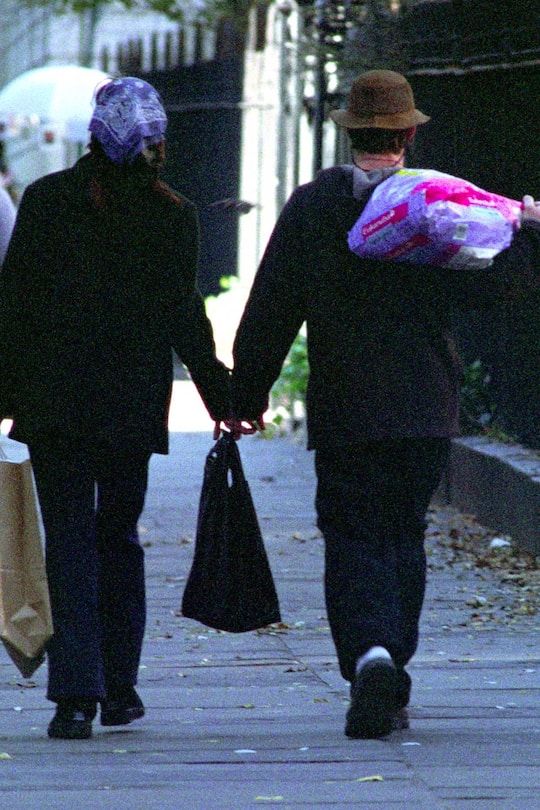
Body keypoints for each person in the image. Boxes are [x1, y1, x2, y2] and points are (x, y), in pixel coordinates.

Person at [226, 70, 540, 739]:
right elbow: (497, 287)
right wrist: (529, 232)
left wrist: (245, 395)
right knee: (403, 532)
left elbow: (272, 305)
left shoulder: (315, 206)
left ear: (351, 133)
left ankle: (369, 656)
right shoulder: (437, 203)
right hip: (425, 404)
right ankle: (392, 659)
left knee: (353, 534)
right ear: (408, 135)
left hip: (347, 404)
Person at [0, 77, 230, 739]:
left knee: (69, 540)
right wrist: (223, 398)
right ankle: (121, 688)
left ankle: (75, 695)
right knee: (118, 539)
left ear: (93, 137)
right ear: (157, 144)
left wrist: (7, 395)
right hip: (130, 406)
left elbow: (14, 305)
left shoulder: (48, 200)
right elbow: (185, 314)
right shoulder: (172, 213)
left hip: (56, 403)